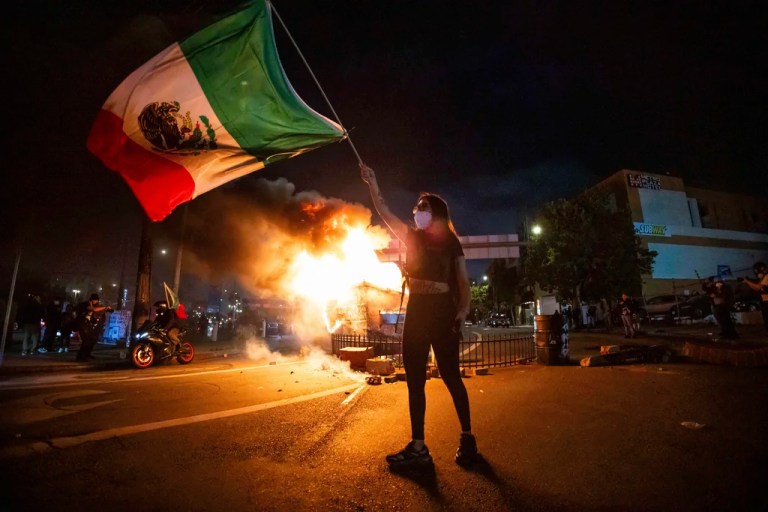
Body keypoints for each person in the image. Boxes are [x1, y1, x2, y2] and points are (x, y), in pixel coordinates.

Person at [361, 163, 477, 468]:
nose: (417, 211)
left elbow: (463, 283)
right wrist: (373, 184)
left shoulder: (451, 243)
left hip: (442, 312)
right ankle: (418, 446)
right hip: (417, 312)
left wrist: (462, 311)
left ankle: (467, 438)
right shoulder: (412, 237)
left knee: (451, 377)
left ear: (436, 212)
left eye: (423, 207)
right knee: (415, 381)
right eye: (417, 207)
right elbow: (385, 213)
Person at [75, 293, 113, 362]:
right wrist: (105, 307)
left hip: (87, 324)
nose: (97, 302)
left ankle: (87, 353)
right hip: (82, 323)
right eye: (96, 300)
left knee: (93, 338)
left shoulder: (93, 305)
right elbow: (93, 310)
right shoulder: (86, 304)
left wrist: (105, 310)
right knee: (86, 340)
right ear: (93, 300)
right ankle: (80, 356)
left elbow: (93, 314)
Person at [738, 261, 768, 335]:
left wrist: (747, 281)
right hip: (764, 301)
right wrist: (747, 281)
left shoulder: (766, 276)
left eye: (757, 272)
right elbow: (756, 287)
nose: (757, 275)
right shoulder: (763, 278)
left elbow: (758, 287)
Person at [708, 277, 738, 341]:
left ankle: (731, 334)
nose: (717, 283)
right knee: (722, 321)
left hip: (724, 306)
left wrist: (716, 294)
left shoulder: (725, 287)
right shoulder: (715, 288)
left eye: (718, 282)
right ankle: (726, 333)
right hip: (718, 306)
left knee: (726, 320)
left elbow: (726, 296)